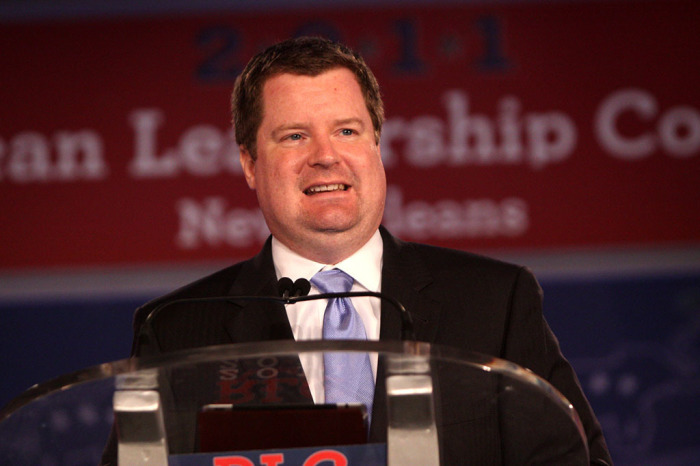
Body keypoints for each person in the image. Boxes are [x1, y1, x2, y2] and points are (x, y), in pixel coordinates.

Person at [127, 36, 612, 464]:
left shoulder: (495, 302)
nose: (325, 155)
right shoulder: (176, 333)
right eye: (294, 136)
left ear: (376, 144)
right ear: (250, 164)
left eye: (347, 131)